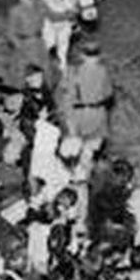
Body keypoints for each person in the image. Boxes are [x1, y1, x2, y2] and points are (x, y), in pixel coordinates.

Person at [58, 38, 114, 180]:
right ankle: (86, 177)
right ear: (99, 55)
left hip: (78, 116)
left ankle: (75, 178)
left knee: (75, 152)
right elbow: (108, 93)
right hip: (97, 114)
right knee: (90, 152)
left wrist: (68, 119)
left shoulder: (73, 71)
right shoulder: (103, 71)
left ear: (82, 55)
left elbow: (67, 97)